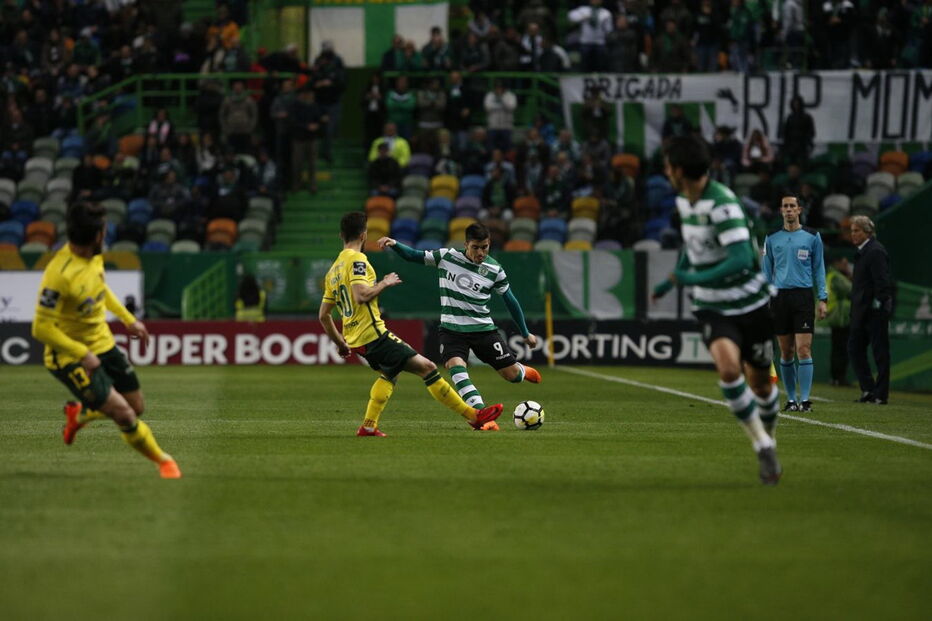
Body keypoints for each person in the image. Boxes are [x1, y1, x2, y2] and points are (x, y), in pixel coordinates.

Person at [652, 135, 781, 485]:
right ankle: (762, 446)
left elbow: (741, 258)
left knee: (762, 387)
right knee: (727, 370)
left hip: (750, 303)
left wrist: (693, 276)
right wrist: (673, 281)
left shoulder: (723, 204)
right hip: (712, 306)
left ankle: (768, 434)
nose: (665, 171)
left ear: (678, 170)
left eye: (667, 165)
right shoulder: (683, 201)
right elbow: (692, 248)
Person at [30, 202, 181, 479]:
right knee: (124, 414)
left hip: (103, 344)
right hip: (70, 357)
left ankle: (81, 415)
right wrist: (81, 353)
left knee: (137, 407)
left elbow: (100, 289)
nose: (106, 234)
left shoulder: (94, 257)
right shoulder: (58, 275)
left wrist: (128, 320)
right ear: (97, 235)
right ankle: (165, 462)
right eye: (104, 230)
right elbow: (41, 328)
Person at [319, 212, 504, 436]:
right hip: (373, 334)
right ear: (364, 234)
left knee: (390, 374)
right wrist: (384, 283)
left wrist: (340, 343)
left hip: (355, 337)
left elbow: (324, 316)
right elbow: (361, 295)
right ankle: (474, 416)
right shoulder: (357, 260)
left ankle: (369, 425)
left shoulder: (333, 270)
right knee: (428, 368)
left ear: (341, 235)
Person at [378, 223, 541, 417]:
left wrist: (525, 333)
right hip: (451, 330)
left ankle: (520, 369)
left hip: (483, 330)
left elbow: (510, 301)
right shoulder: (447, 257)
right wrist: (394, 243)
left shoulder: (495, 269)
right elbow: (414, 255)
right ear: (466, 244)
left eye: (485, 247)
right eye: (476, 247)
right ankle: (481, 413)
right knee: (455, 366)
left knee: (512, 376)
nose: (481, 252)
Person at [762, 196, 828, 412]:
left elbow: (819, 268)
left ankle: (806, 399)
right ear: (781, 211)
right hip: (780, 298)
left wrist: (823, 299)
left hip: (803, 297)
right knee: (786, 351)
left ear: (799, 209)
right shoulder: (772, 238)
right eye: (785, 207)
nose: (789, 210)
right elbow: (766, 271)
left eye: (792, 206)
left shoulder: (811, 236)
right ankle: (791, 399)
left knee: (804, 349)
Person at [848, 216, 892, 404]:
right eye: (852, 231)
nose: (853, 234)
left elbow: (882, 282)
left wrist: (880, 305)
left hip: (873, 311)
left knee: (880, 353)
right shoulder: (863, 251)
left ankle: (880, 394)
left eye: (857, 230)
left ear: (868, 232)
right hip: (861, 311)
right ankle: (868, 389)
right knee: (855, 349)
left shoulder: (875, 251)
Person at [819, 254, 852, 386]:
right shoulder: (837, 277)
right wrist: (850, 278)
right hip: (840, 317)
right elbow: (851, 290)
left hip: (835, 316)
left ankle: (835, 377)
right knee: (841, 348)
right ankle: (839, 377)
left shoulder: (830, 275)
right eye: (844, 262)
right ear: (837, 263)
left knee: (837, 348)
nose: (846, 265)